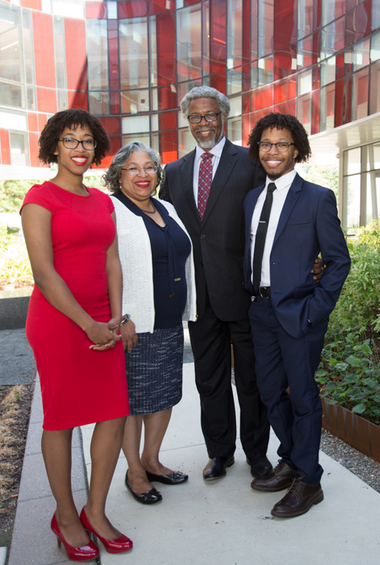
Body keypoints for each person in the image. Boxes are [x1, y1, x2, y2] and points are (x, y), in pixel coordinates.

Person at [160, 86, 322, 482]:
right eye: (196, 116)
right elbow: (167, 228)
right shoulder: (176, 171)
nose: (203, 123)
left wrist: (308, 259)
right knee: (209, 379)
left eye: (211, 115)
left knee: (253, 379)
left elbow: (282, 211)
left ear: (224, 117)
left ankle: (257, 453)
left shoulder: (250, 161)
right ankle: (219, 453)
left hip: (245, 294)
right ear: (187, 121)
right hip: (198, 297)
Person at [20, 109, 132, 560]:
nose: (80, 148)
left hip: (104, 320)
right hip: (59, 325)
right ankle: (65, 517)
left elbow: (112, 262)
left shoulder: (102, 201)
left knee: (114, 414)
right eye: (70, 140)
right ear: (54, 147)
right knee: (62, 419)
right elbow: (44, 274)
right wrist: (87, 322)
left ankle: (96, 512)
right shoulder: (38, 199)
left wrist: (118, 319)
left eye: (87, 140)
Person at [243, 113, 351, 518]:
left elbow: (338, 261)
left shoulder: (317, 198)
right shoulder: (252, 198)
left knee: (302, 396)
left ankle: (309, 479)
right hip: (260, 310)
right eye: (266, 144)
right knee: (271, 393)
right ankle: (290, 459)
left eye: (282, 144)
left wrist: (316, 308)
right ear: (258, 149)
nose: (273, 151)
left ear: (297, 150)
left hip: (299, 313)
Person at [104, 141, 196, 504]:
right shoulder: (110, 209)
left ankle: (152, 459)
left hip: (171, 320)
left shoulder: (167, 207)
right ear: (119, 174)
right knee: (135, 401)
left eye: (149, 167)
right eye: (133, 168)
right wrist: (121, 315)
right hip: (135, 323)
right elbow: (104, 266)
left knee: (164, 394)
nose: (143, 175)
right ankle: (135, 471)